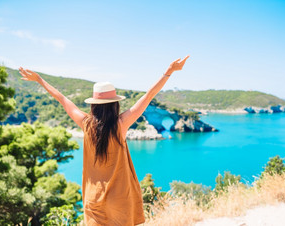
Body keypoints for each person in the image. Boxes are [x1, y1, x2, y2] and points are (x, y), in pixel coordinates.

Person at [19, 55, 189, 225]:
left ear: (94, 104)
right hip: (120, 199)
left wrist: (39, 80)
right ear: (115, 104)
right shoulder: (121, 124)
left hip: (94, 200)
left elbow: (63, 99)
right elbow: (149, 95)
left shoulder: (86, 124)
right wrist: (169, 72)